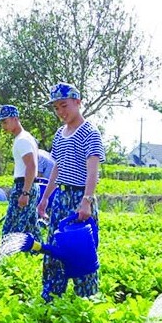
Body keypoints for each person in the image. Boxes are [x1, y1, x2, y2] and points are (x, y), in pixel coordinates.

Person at [37, 83, 105, 301]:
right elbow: (57, 168)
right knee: (54, 250)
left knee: (81, 251)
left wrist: (87, 200)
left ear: (78, 102)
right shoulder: (60, 134)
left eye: (64, 105)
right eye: (56, 108)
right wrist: (45, 198)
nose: (60, 112)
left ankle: (86, 298)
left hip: (80, 197)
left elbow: (93, 171)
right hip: (61, 198)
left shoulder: (90, 132)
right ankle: (51, 296)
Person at [0, 105, 39, 238]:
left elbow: (31, 166)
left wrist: (25, 192)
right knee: (31, 229)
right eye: (1, 122)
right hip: (28, 185)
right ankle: (40, 250)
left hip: (23, 186)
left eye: (5, 121)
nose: (3, 126)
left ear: (15, 119)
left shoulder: (22, 140)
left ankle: (7, 250)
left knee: (11, 230)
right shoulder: (25, 137)